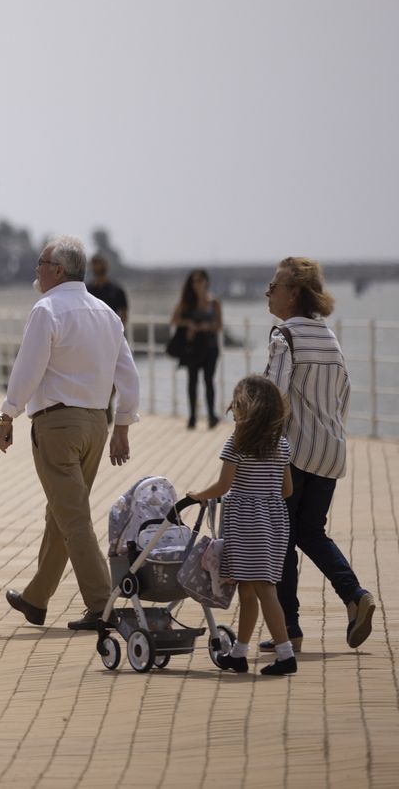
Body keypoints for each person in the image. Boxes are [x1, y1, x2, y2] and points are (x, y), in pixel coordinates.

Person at [0, 235, 140, 633]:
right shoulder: (107, 314)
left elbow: (28, 369)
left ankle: (102, 604)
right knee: (62, 511)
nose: (36, 271)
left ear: (58, 269)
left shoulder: (46, 310)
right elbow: (127, 372)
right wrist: (123, 425)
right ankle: (36, 598)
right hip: (97, 425)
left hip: (57, 425)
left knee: (74, 517)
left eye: (41, 263)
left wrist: (7, 415)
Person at [264, 256, 377, 652]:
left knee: (281, 538)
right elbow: (344, 395)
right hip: (331, 453)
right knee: (310, 532)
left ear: (293, 293)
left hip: (293, 457)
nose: (268, 292)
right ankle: (354, 596)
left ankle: (289, 631)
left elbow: (273, 401)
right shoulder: (330, 337)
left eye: (275, 285)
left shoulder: (285, 337)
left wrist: (257, 451)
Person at [186, 375, 296, 675]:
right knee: (248, 589)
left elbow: (223, 485)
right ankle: (239, 653)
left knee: (263, 588)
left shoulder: (237, 442)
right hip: (274, 522)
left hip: (247, 524)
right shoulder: (281, 444)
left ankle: (286, 654)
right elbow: (287, 490)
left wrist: (197, 495)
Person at [171, 269, 224, 429]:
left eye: (200, 280)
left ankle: (211, 415)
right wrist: (189, 324)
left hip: (210, 347)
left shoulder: (214, 302)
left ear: (206, 281)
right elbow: (175, 320)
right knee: (192, 381)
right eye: (194, 281)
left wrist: (206, 326)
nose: (197, 284)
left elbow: (219, 325)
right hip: (192, 347)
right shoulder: (186, 302)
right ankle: (192, 417)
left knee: (209, 381)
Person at [86, 254, 130, 424]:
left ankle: (107, 402)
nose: (98, 267)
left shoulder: (117, 290)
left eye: (101, 264)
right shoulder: (88, 289)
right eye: (95, 264)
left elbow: (124, 315)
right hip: (92, 339)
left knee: (112, 374)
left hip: (112, 339)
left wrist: (116, 331)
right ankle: (100, 403)